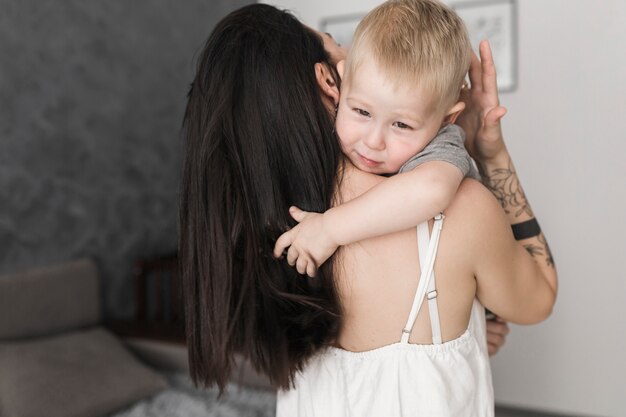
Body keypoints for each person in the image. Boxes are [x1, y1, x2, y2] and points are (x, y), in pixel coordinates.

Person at [178, 3, 557, 416]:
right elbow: (539, 297)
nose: (344, 53)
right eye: (334, 44)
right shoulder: (457, 209)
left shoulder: (272, 232)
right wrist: (492, 152)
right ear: (328, 81)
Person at [273, 0, 489, 278]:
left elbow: (432, 189)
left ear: (447, 120)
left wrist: (330, 229)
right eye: (361, 111)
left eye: (401, 125)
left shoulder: (443, 146)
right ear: (341, 81)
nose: (374, 141)